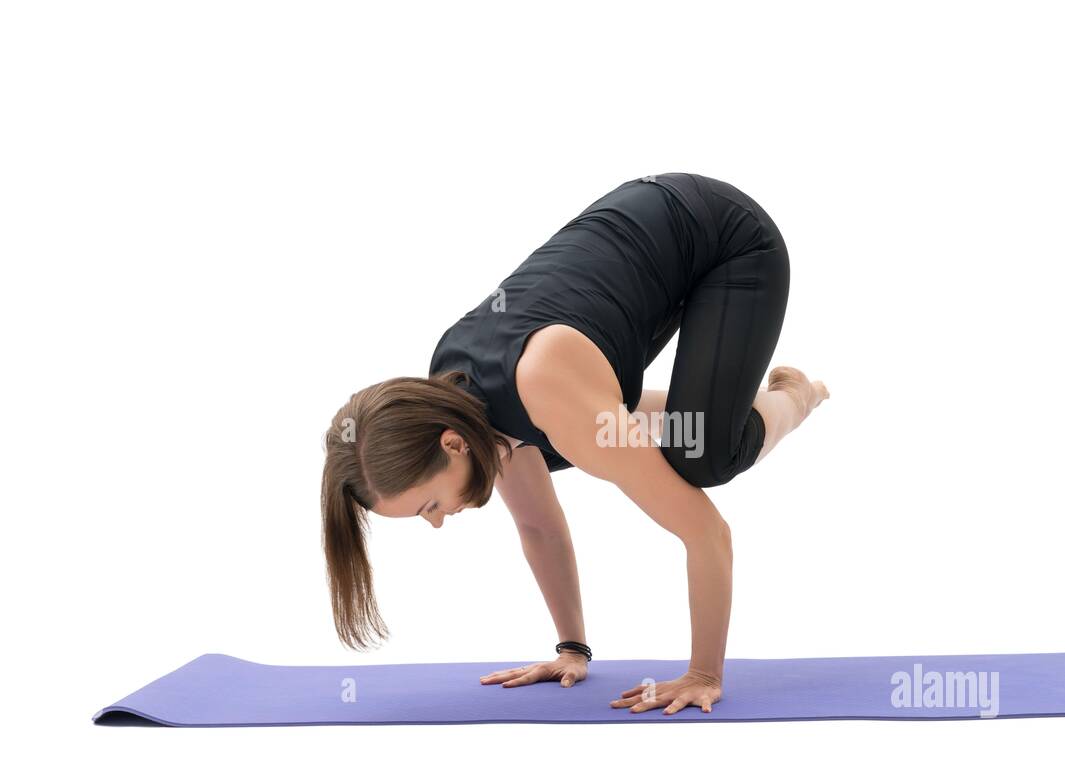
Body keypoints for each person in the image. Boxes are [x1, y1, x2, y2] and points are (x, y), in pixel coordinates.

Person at [321, 172, 829, 715]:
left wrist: (703, 674)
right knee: (572, 437)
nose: (440, 520)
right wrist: (572, 650)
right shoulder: (462, 402)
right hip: (640, 268)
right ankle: (694, 408)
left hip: (729, 243)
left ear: (451, 445)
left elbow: (707, 533)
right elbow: (538, 525)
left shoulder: (543, 384)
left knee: (702, 454)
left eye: (429, 505)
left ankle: (793, 396)